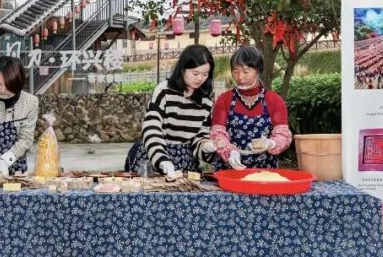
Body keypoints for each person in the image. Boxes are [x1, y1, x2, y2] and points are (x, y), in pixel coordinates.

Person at [125, 45, 216, 179]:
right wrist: (161, 159)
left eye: (205, 74)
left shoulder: (206, 101)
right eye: (195, 73)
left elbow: (200, 138)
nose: (200, 79)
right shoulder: (164, 91)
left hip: (186, 162)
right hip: (155, 155)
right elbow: (152, 127)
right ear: (183, 69)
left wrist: (206, 146)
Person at [210, 44, 292, 169]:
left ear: (258, 70)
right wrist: (229, 152)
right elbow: (217, 134)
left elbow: (283, 135)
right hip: (230, 167)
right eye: (235, 72)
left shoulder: (275, 101)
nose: (240, 77)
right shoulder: (224, 100)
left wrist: (271, 143)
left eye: (246, 72)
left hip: (265, 170)